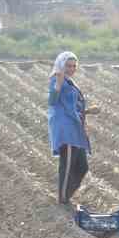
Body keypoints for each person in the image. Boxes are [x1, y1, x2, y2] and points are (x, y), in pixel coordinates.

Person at [48, 51, 98, 207]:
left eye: (74, 66)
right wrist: (58, 83)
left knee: (82, 167)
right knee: (68, 165)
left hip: (75, 127)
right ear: (61, 65)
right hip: (66, 130)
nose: (71, 69)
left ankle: (66, 195)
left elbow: (72, 107)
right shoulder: (57, 80)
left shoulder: (70, 82)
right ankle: (63, 199)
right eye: (68, 65)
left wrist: (88, 111)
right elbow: (52, 101)